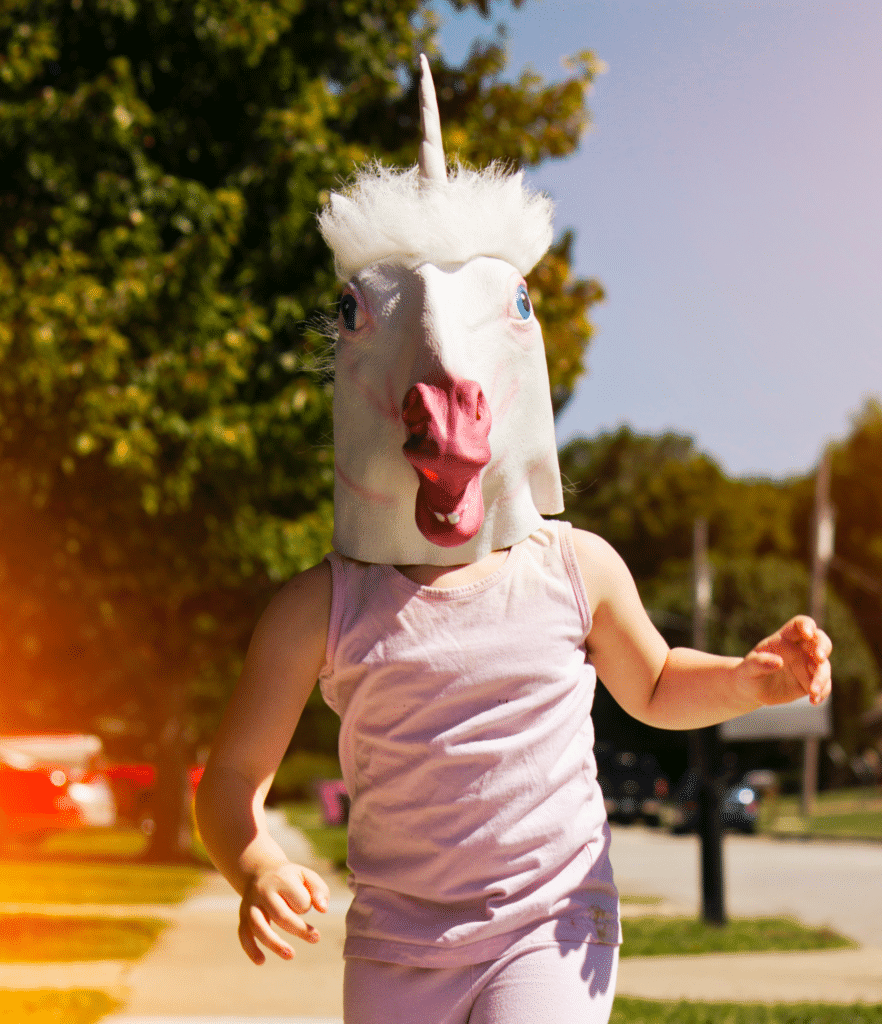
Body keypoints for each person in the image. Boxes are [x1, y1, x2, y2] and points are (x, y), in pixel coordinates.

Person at [194, 57, 832, 1024]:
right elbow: (233, 775)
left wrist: (750, 679)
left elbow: (653, 683)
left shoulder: (573, 568)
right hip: (398, 945)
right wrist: (255, 862)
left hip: (552, 921)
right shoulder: (320, 609)